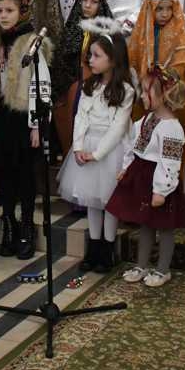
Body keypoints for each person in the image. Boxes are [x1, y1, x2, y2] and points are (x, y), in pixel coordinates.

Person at [0, 0, 51, 260]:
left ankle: (27, 227)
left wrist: (37, 125)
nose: (4, 16)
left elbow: (40, 85)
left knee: (24, 174)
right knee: (3, 172)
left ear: (21, 12)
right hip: (0, 116)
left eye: (9, 10)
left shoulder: (32, 43)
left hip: (23, 118)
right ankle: (9, 224)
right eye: (0, 11)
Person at [58, 24, 134, 274]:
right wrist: (78, 147)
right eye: (90, 55)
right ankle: (93, 246)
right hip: (88, 146)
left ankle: (107, 249)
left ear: (113, 60)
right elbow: (81, 117)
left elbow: (118, 127)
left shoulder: (125, 91)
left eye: (96, 55)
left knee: (109, 201)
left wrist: (97, 154)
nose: (90, 60)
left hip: (109, 151)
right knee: (92, 200)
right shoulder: (89, 87)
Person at [107, 66, 185, 288]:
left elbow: (170, 162)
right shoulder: (147, 120)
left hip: (159, 182)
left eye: (146, 91)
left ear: (164, 95)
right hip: (143, 177)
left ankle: (163, 269)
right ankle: (141, 264)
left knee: (164, 227)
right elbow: (134, 146)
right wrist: (126, 168)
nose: (142, 96)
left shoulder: (172, 128)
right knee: (145, 224)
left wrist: (161, 191)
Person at [51, 0, 115, 156]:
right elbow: (62, 59)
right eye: (84, 0)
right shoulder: (72, 26)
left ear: (101, 5)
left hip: (95, 85)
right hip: (73, 82)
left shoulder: (107, 32)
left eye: (93, 2)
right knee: (68, 115)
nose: (87, 5)